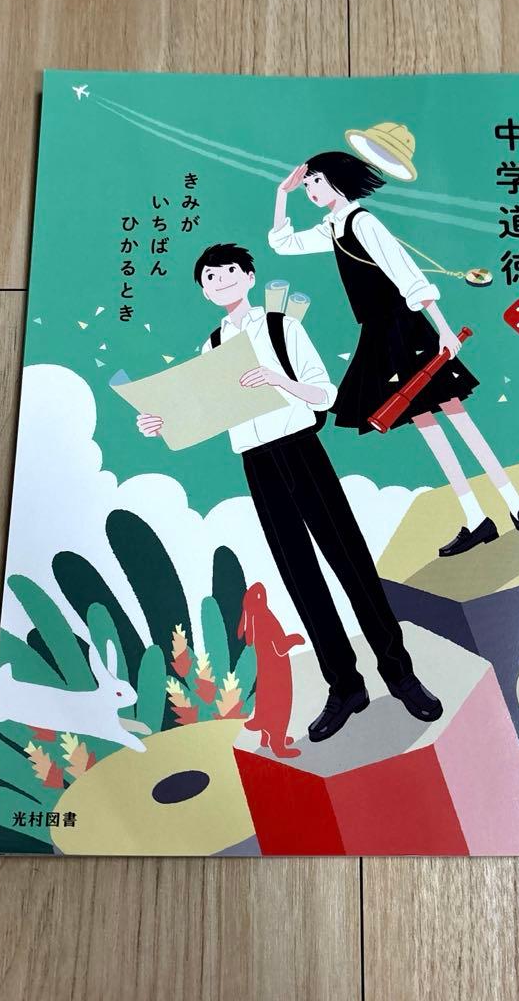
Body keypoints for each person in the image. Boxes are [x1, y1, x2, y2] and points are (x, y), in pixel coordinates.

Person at [135, 243, 443, 743]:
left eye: (228, 272)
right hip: (257, 462)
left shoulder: (282, 327)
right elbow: (205, 414)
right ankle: (345, 687)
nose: (220, 281)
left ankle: (400, 674)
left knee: (351, 563)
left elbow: (327, 394)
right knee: (300, 576)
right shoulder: (211, 346)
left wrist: (278, 380)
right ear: (204, 291)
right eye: (209, 278)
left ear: (249, 276)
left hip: (301, 449)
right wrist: (161, 423)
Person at [268, 152, 519, 555]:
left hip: (405, 326)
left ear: (336, 179)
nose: (309, 190)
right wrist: (281, 195)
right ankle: (476, 518)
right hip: (378, 335)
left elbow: (406, 273)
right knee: (425, 424)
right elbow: (283, 244)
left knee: (457, 418)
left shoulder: (363, 222)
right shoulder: (332, 227)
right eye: (306, 184)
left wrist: (443, 329)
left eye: (314, 181)